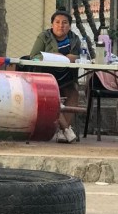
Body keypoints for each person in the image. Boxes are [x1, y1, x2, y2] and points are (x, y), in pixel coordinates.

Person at [29, 10, 81, 144]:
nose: (61, 25)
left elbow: (78, 56)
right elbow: (33, 56)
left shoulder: (74, 39)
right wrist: (53, 56)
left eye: (65, 23)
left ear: (69, 25)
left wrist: (74, 57)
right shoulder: (44, 37)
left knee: (73, 93)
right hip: (46, 78)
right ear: (52, 24)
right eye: (57, 22)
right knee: (53, 95)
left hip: (66, 76)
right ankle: (66, 129)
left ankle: (61, 132)